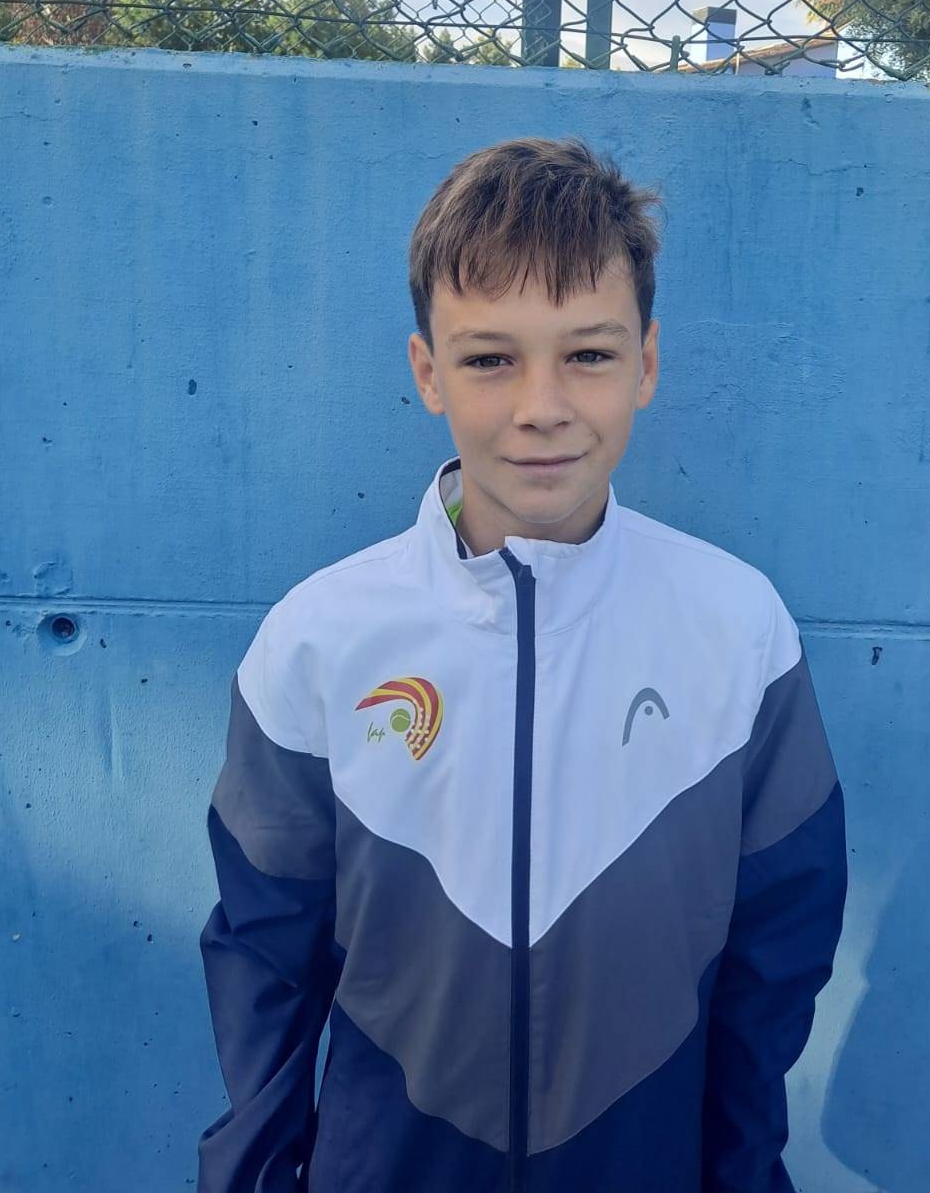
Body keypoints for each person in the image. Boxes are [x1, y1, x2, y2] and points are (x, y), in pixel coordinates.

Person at [196, 134, 847, 1192]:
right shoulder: (319, 640)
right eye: (491, 359)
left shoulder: (739, 632)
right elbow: (263, 960)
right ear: (428, 373)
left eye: (587, 354)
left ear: (645, 364)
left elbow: (777, 958)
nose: (541, 405)